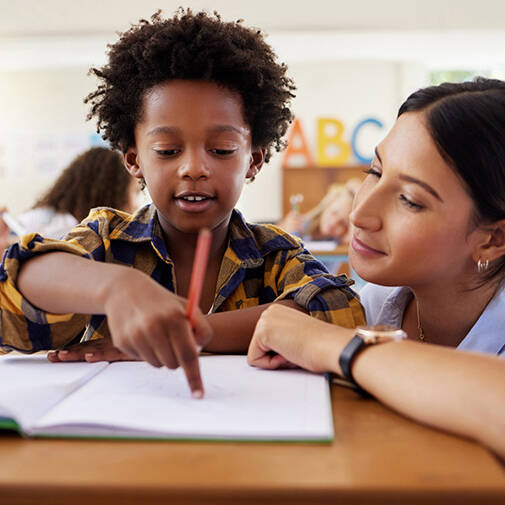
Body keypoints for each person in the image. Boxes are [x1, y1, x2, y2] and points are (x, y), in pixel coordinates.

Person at [0, 9, 364, 397]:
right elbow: (13, 298)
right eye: (168, 150)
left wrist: (196, 333)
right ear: (134, 160)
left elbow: (341, 312)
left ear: (253, 160)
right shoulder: (109, 242)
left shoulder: (274, 254)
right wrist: (115, 287)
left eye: (222, 149)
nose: (194, 168)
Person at [247, 78, 505, 458]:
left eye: (409, 200)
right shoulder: (379, 300)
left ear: (493, 239)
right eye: (375, 171)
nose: (359, 213)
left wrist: (328, 344)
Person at [0, 147, 140, 250]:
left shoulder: (105, 240)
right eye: (135, 193)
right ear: (111, 193)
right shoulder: (42, 222)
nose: (136, 206)